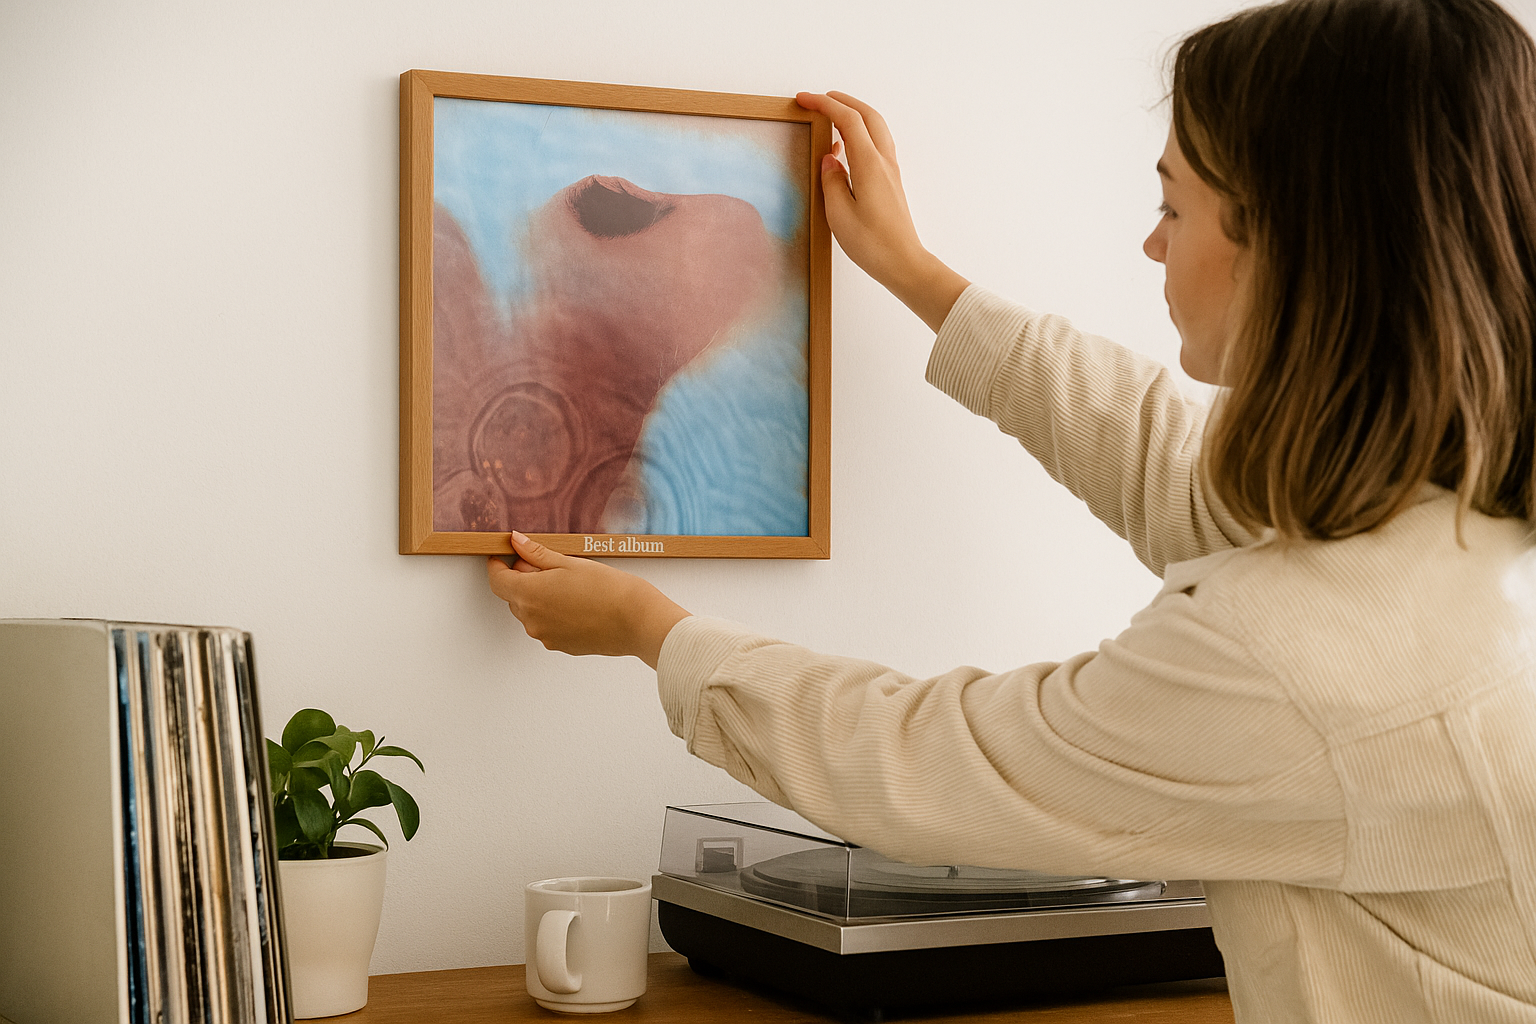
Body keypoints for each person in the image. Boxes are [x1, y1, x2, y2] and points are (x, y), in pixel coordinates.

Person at [487, 0, 1536, 1019]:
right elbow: (1166, 457)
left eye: (1174, 208)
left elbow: (932, 761)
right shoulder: (1448, 530)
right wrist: (914, 272)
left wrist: (651, 631)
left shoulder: (1309, 656)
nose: (1153, 246)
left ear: (1297, 242)